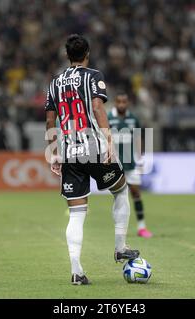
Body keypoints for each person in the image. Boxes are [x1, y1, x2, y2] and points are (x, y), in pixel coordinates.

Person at [45, 34, 139, 285]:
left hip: (70, 153)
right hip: (95, 147)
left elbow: (50, 120)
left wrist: (54, 151)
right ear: (87, 53)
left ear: (67, 56)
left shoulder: (54, 83)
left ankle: (76, 271)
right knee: (120, 190)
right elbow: (98, 107)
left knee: (76, 213)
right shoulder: (93, 76)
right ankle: (120, 248)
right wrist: (109, 140)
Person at [108, 93, 153, 238]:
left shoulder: (133, 119)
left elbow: (138, 137)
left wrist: (140, 156)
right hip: (114, 164)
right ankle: (119, 229)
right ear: (115, 102)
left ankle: (141, 227)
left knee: (136, 194)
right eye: (119, 101)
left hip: (130, 163)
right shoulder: (108, 118)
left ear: (127, 103)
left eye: (124, 102)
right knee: (118, 196)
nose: (121, 104)